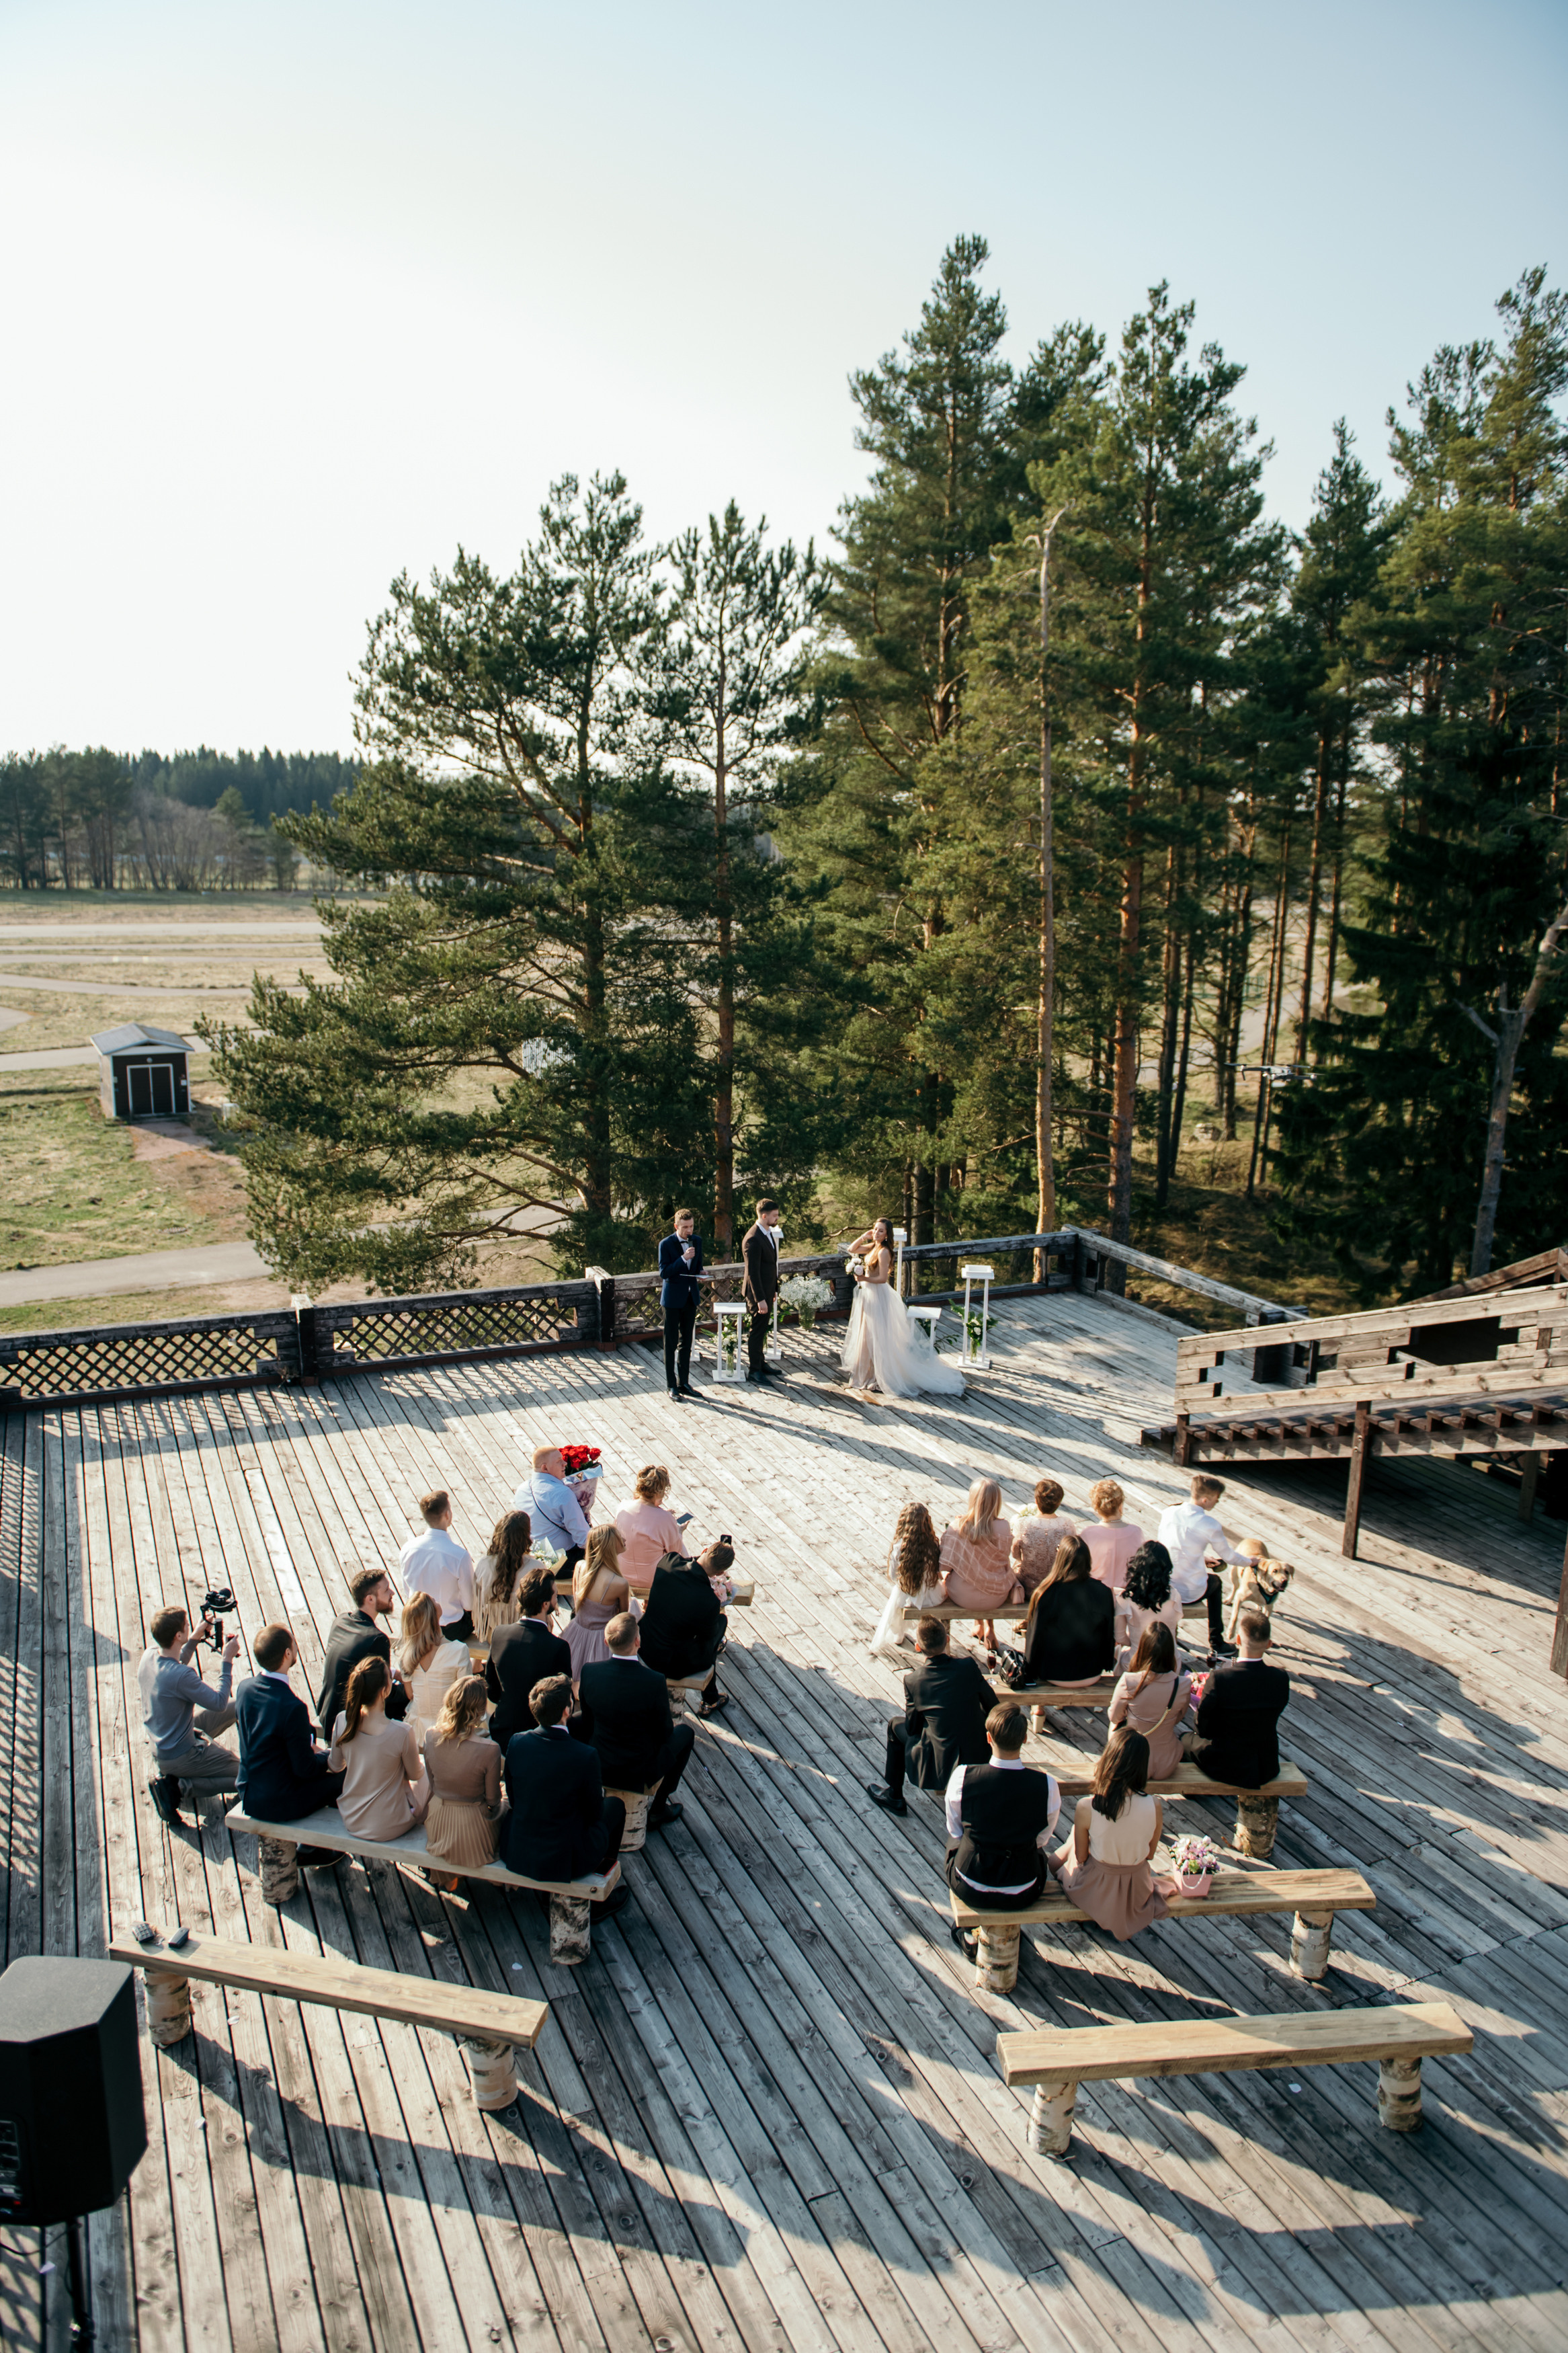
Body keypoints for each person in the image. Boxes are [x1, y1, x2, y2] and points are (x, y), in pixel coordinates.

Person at [501, 1673, 630, 1920]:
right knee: (614, 1806)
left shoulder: (517, 1742)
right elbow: (594, 1815)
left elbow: (514, 1799)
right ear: (566, 1712)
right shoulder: (585, 1755)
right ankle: (598, 1893)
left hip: (519, 1848)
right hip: (566, 1859)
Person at [945, 1702, 1061, 1947]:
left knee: (956, 1839)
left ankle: (968, 1932)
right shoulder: (1048, 1785)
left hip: (970, 1883)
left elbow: (955, 1830)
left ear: (989, 1737)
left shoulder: (963, 1777)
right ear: (1025, 1738)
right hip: (1023, 1888)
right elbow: (1041, 1840)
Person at [1050, 1726, 1182, 1939]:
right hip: (1136, 1888)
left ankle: (1052, 1862)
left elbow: (1082, 1857)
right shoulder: (1154, 1805)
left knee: (1075, 1839)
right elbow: (1149, 1854)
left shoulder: (1088, 1806)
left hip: (1097, 1887)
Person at [865, 1616, 996, 1817]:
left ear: (918, 1647)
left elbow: (912, 1729)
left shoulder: (914, 1681)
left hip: (942, 1765)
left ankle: (895, 1795)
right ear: (947, 1641)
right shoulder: (969, 1667)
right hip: (980, 1754)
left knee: (894, 1726)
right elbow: (993, 1706)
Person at [235, 1622, 345, 1858]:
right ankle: (318, 1846)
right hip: (278, 1801)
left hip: (250, 1792)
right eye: (294, 1643)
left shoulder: (245, 1688)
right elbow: (305, 1770)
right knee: (342, 1776)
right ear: (287, 1654)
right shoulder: (292, 1707)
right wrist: (328, 1757)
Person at [577, 1613, 696, 1829]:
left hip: (599, 1760)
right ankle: (659, 1807)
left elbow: (587, 1720)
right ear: (638, 1642)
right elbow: (665, 1732)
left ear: (606, 1642)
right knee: (685, 1734)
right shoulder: (654, 1681)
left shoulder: (590, 1672)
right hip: (638, 1770)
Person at [839, 1217, 965, 1399]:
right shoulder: (874, 1246)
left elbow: (883, 1278)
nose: (876, 1232)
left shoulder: (883, 1252)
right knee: (866, 1333)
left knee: (878, 1335)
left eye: (881, 1231)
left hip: (878, 1294)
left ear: (887, 1235)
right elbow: (852, 1250)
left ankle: (878, 1375)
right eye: (875, 1229)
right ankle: (866, 1373)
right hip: (868, 1294)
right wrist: (864, 1236)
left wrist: (864, 1279)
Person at [138, 1601, 241, 1825]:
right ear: (177, 1636)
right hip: (180, 1755)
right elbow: (218, 1703)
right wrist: (227, 1661)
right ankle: (178, 1788)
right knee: (246, 1777)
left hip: (171, 1740)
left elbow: (175, 1662)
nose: (189, 1625)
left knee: (241, 1702)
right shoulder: (182, 1676)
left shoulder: (149, 1656)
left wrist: (194, 1638)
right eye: (187, 1625)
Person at [1183, 1608, 1290, 1786]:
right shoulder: (1280, 1678)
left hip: (1227, 1764)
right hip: (1265, 1766)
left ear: (1238, 1640)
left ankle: (1193, 1791)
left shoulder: (1220, 1679)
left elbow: (1203, 1729)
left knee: (1184, 1739)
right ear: (1269, 1643)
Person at [329, 1657, 430, 1840]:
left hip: (353, 1819)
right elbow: (416, 1775)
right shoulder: (402, 1732)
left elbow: (335, 1766)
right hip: (391, 1825)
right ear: (385, 1691)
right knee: (429, 1776)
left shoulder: (343, 1720)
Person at [423, 1674, 505, 1886]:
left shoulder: (430, 1736)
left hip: (439, 1821)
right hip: (473, 1827)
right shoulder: (490, 1749)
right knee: (507, 1804)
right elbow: (493, 1801)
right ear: (478, 1712)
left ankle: (448, 1877)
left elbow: (432, 1784)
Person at [636, 1542, 732, 1717]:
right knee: (720, 1623)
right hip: (670, 1664)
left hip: (643, 1642)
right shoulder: (709, 1601)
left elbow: (686, 1561)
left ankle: (711, 1698)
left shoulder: (668, 1561)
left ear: (704, 1551)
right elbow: (705, 1637)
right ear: (720, 1573)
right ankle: (710, 1698)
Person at [1157, 1473, 1245, 1657]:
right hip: (1188, 1592)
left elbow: (1172, 1546)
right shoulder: (1210, 1524)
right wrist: (1251, 1562)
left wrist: (1202, 1557)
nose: (1217, 1502)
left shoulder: (1169, 1512)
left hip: (1164, 1584)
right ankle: (1217, 1642)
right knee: (1216, 1583)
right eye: (1216, 1499)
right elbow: (1229, 1557)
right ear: (1206, 1500)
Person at [316, 1566, 409, 1737]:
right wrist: (411, 1688)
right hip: (350, 1722)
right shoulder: (377, 1639)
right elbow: (384, 1692)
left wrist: (394, 1673)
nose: (392, 1593)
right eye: (386, 1590)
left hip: (327, 1712)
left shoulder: (341, 1621)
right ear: (370, 1599)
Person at [488, 1564, 575, 1745]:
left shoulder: (499, 1634)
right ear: (545, 1605)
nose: (557, 1598)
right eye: (555, 1595)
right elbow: (564, 1702)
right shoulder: (558, 1647)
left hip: (501, 1729)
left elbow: (493, 1691)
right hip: (537, 1737)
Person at [939, 1478, 1022, 1657]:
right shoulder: (1004, 1527)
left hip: (963, 1596)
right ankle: (989, 1629)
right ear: (996, 1501)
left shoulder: (957, 1527)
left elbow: (945, 1565)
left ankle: (978, 1625)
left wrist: (960, 1529)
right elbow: (998, 1562)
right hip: (996, 1596)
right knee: (990, 1571)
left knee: (969, 1572)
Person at [1019, 1536, 1116, 1687]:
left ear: (1061, 1559)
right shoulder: (1104, 1592)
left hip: (1053, 1674)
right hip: (1092, 1673)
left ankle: (1038, 1707)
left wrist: (1030, 1672)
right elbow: (1109, 1636)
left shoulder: (1045, 1593)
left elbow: (1034, 1640)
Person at [1107, 1623, 1194, 1780]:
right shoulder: (1183, 1684)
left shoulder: (1129, 1681)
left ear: (1143, 1650)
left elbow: (1114, 1717)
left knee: (1114, 1724)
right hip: (1166, 1763)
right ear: (1170, 1653)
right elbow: (1178, 1718)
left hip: (1131, 1761)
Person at [565, 1527, 639, 1684]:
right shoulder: (619, 1583)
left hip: (576, 1633)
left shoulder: (579, 1567)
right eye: (620, 1537)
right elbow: (622, 1621)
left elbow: (577, 1605)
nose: (624, 1540)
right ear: (611, 1545)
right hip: (602, 1640)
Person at [869, 1501, 946, 1654]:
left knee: (898, 1596)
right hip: (932, 1596)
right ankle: (922, 1637)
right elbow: (938, 1572)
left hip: (909, 1596)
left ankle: (898, 1634)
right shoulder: (933, 1545)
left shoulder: (899, 1548)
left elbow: (892, 1575)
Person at [399, 1490, 475, 1643]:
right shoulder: (459, 1556)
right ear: (448, 1515)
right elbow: (470, 1603)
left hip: (419, 1624)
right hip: (451, 1629)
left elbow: (408, 1592)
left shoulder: (407, 1549)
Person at [398, 1592, 470, 1741]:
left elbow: (411, 1694)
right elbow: (466, 1697)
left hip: (417, 1732)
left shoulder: (406, 1655)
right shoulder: (458, 1651)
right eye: (434, 1600)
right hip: (448, 1731)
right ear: (432, 1616)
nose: (438, 1601)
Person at [511, 1446, 591, 1579]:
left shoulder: (522, 1489)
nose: (565, 1463)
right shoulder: (562, 1494)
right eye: (559, 1461)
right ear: (545, 1468)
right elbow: (583, 1539)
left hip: (535, 1557)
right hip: (561, 1563)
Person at [614, 1464, 690, 1597]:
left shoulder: (623, 1507)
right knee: (680, 1546)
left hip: (622, 1572)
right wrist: (678, 1532)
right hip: (653, 1579)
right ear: (660, 1492)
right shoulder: (666, 1519)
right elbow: (674, 1552)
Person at [657, 1207, 705, 1400]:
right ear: (676, 1226)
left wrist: (701, 1272)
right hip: (672, 1300)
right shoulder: (665, 1244)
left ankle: (684, 1383)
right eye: (685, 1227)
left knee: (687, 1343)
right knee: (670, 1343)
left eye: (692, 1226)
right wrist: (683, 1259)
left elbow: (697, 1265)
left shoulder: (698, 1241)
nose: (689, 1231)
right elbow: (664, 1272)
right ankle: (671, 1386)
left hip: (690, 1298)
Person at [1115, 1542, 1186, 1669]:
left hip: (1137, 1664)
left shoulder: (1125, 1599)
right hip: (1171, 1663)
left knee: (1120, 1659)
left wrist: (1138, 1642)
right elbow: (1173, 1630)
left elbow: (1120, 1637)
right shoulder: (1174, 1596)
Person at [472, 1510, 534, 1644]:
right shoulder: (536, 1567)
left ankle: (477, 1663)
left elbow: (476, 1606)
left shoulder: (484, 1564)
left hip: (494, 1636)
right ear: (526, 1537)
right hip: (526, 1639)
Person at [1009, 1479, 1079, 1597]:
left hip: (1029, 1588)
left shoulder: (1023, 1524)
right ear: (1059, 1503)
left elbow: (1015, 1555)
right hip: (1057, 1587)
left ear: (1036, 1501)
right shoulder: (1067, 1525)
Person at [741, 1196, 784, 1383]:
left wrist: (774, 1289)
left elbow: (771, 1265)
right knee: (757, 1331)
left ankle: (761, 1362)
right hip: (757, 1294)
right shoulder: (753, 1238)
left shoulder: (767, 1232)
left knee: (763, 1329)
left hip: (767, 1291)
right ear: (764, 1216)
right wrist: (760, 1299)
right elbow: (753, 1273)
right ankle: (754, 1370)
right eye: (775, 1216)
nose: (777, 1219)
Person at [1077, 1480, 1144, 1594]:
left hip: (1095, 1596)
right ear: (1120, 1505)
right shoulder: (1136, 1532)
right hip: (1127, 1596)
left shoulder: (1088, 1534)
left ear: (1097, 1508)